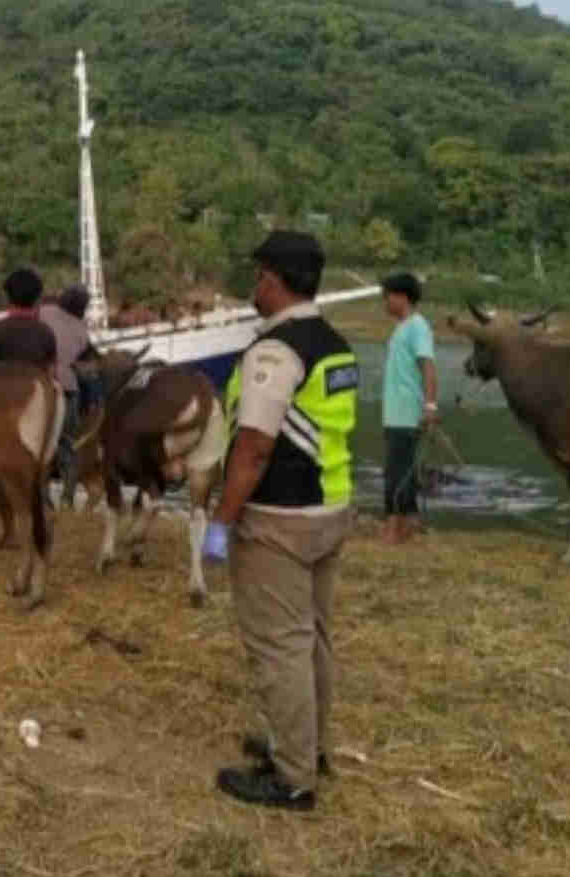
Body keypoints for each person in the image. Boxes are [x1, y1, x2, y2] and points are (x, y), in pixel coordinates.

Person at [204, 230, 358, 811]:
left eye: (258, 275)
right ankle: (308, 745)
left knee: (280, 645)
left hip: (279, 519)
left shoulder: (276, 351)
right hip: (330, 509)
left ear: (273, 279)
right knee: (314, 637)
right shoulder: (337, 344)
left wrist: (222, 520)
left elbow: (254, 449)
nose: (254, 285)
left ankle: (292, 777)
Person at [380, 272, 437, 544]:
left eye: (388, 295)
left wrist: (429, 405)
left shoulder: (417, 326)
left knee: (397, 472)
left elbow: (428, 366)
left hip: (407, 412)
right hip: (394, 413)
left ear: (402, 297)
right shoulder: (401, 327)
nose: (385, 301)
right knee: (402, 469)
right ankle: (411, 522)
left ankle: (394, 529)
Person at [41, 285, 97, 508]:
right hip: (70, 391)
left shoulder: (44, 312)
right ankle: (67, 497)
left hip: (44, 386)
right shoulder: (82, 330)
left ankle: (44, 499)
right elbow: (87, 367)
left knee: (42, 445)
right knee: (67, 445)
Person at [0, 268, 57, 370]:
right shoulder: (46, 332)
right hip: (34, 384)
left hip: (0, 385)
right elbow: (51, 372)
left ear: (7, 297)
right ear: (37, 298)